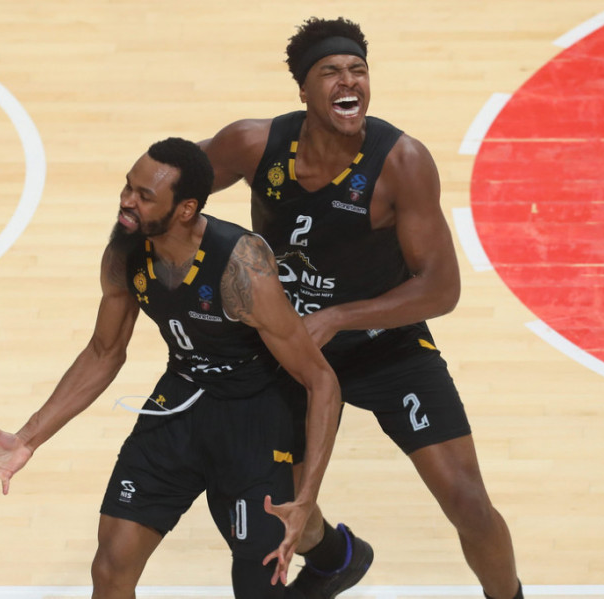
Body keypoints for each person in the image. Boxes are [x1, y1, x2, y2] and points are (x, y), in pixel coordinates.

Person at [199, 16, 523, 599]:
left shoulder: (401, 161)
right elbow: (170, 184)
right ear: (303, 89)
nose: (348, 81)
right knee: (279, 509)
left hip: (385, 346)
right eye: (331, 72)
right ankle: (336, 557)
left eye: (358, 70)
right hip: (292, 348)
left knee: (468, 502)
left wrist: (339, 317)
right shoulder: (255, 144)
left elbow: (441, 289)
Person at [0, 137, 343, 599]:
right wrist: (28, 438)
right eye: (127, 187)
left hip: (255, 412)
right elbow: (104, 352)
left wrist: (306, 495)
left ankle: (337, 555)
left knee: (260, 583)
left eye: (144, 195)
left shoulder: (240, 267)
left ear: (185, 209)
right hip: (181, 398)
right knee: (111, 565)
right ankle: (334, 553)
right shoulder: (126, 252)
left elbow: (321, 381)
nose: (127, 201)